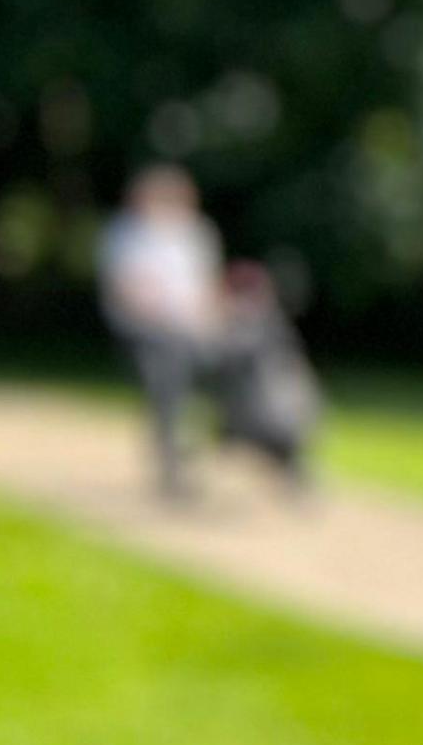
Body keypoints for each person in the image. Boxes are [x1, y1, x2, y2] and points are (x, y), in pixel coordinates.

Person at [94, 163, 224, 501]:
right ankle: (172, 459)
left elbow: (208, 291)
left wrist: (207, 320)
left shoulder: (196, 234)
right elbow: (127, 290)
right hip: (146, 329)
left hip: (194, 329)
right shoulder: (126, 233)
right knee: (169, 363)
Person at [207, 259, 323, 495]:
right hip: (292, 418)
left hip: (262, 420)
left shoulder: (246, 327)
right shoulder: (274, 326)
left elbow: (219, 361)